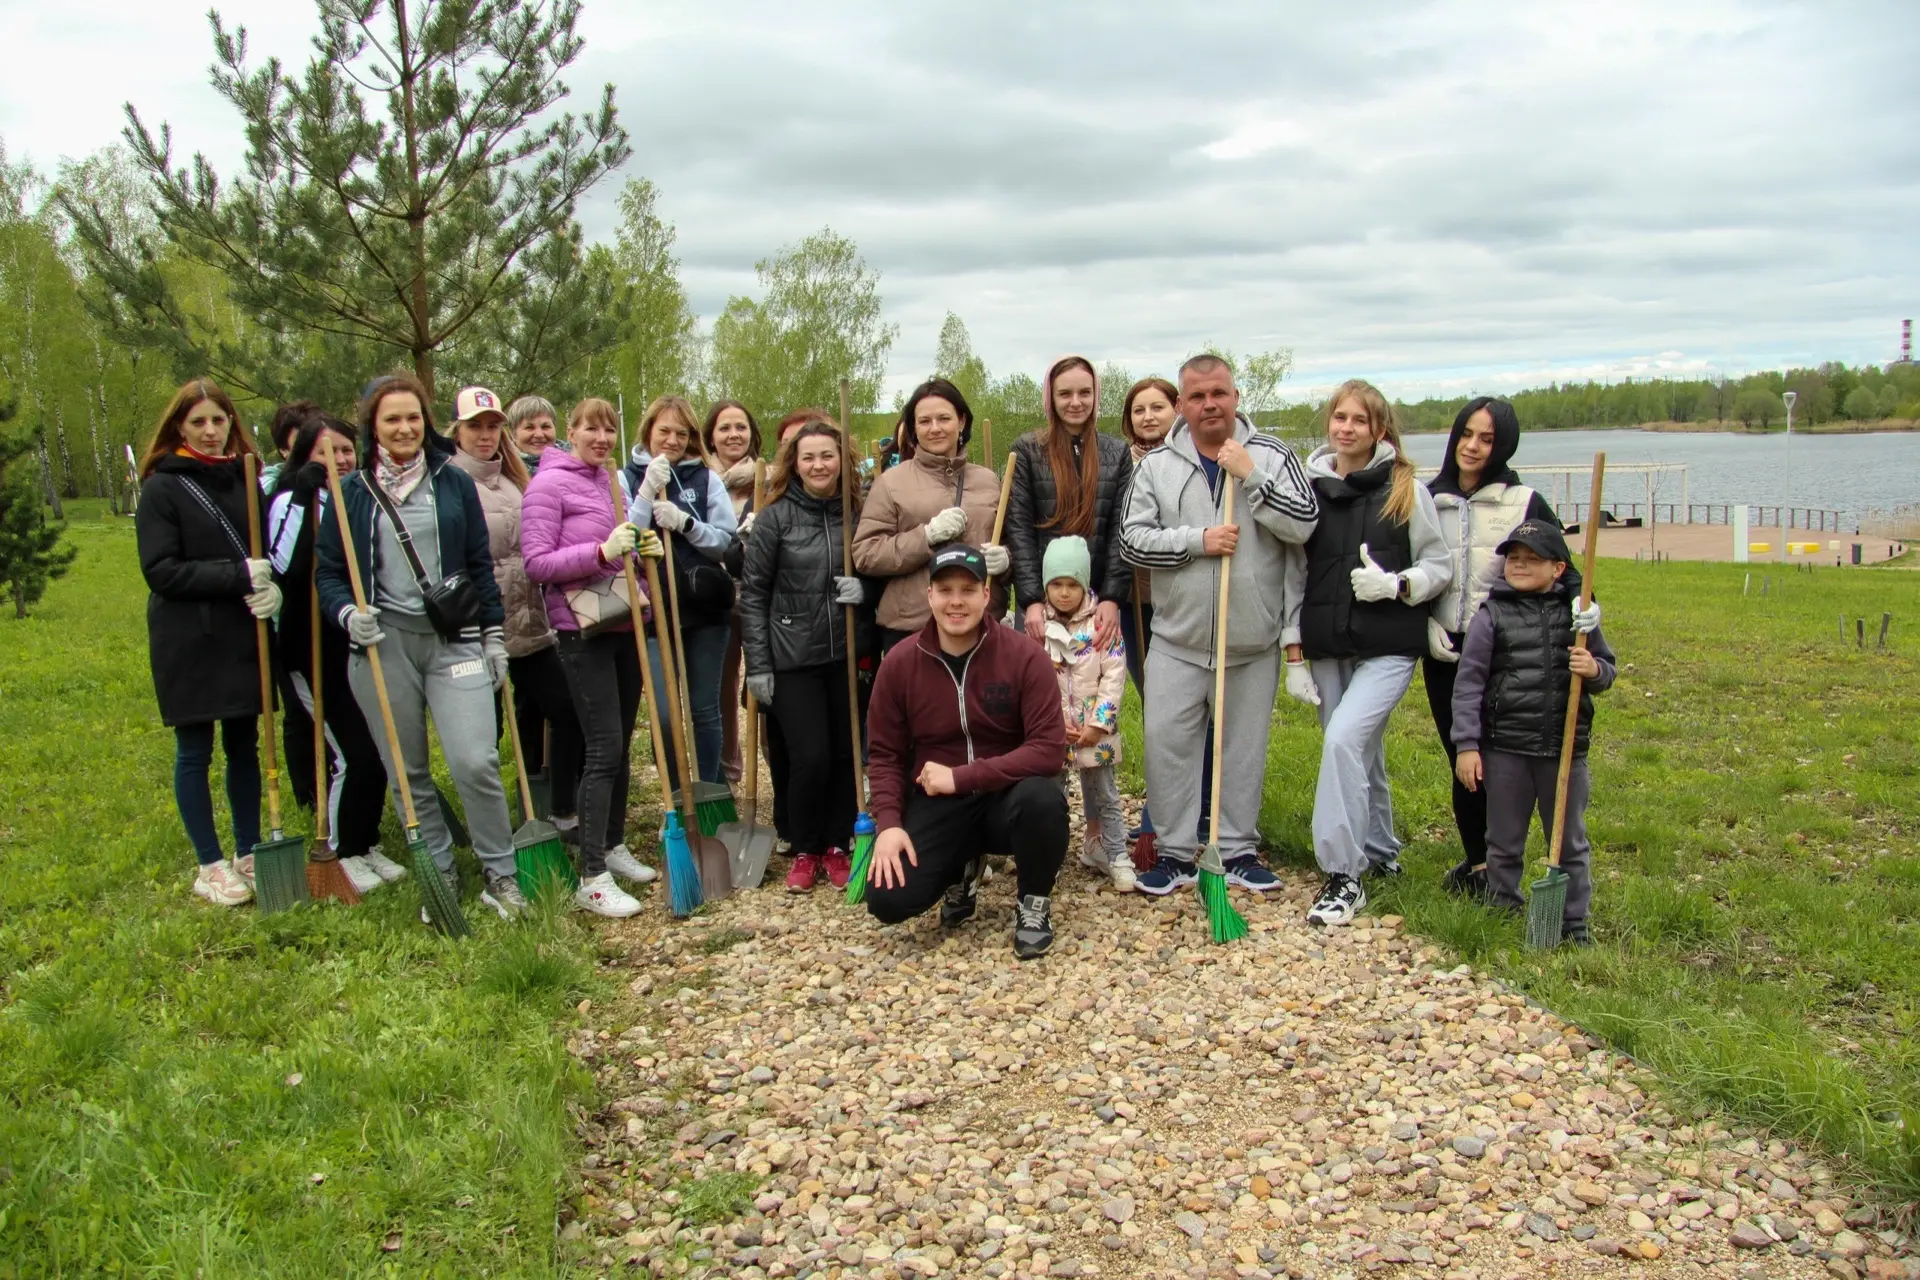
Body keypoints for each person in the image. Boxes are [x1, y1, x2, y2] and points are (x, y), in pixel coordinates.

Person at [314, 372, 526, 921]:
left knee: (475, 760)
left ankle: (500, 873)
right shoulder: (352, 492)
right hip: (384, 646)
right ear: (373, 426)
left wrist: (493, 636)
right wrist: (347, 614)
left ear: (426, 422)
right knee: (407, 771)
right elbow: (329, 572)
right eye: (392, 419)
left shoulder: (452, 482)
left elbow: (479, 564)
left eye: (413, 417)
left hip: (453, 642)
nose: (405, 428)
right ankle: (440, 869)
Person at [1120, 354, 1319, 898]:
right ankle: (1175, 853)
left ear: (1235, 397)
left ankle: (1236, 850)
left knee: (1242, 750)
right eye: (1198, 396)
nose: (1210, 404)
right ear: (1182, 404)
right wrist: (1196, 541)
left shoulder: (1272, 455)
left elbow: (1305, 524)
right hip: (1177, 641)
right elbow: (1131, 541)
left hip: (1251, 642)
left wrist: (1252, 477)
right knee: (1167, 745)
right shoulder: (1157, 465)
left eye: (1219, 394)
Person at [1283, 379, 1452, 927]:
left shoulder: (1407, 490)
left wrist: (1399, 585)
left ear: (1379, 429)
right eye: (1340, 417)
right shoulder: (1309, 490)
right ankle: (1380, 849)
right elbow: (1295, 574)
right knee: (1361, 750)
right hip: (1328, 645)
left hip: (1388, 647)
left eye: (1360, 420)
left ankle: (1344, 875)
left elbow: (1440, 565)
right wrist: (1293, 650)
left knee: (1342, 741)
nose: (1347, 428)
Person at [862, 545, 1070, 958]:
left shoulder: (1024, 656)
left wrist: (962, 777)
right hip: (938, 803)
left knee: (1043, 800)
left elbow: (1048, 749)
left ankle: (1033, 902)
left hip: (1007, 798)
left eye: (968, 590)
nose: (956, 601)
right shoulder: (900, 663)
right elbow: (884, 754)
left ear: (986, 594)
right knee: (888, 900)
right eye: (945, 590)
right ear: (929, 596)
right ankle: (962, 867)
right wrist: (889, 824)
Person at [1423, 397, 1594, 898]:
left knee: (1501, 760)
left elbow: (1565, 568)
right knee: (1462, 755)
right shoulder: (1427, 499)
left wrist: (1584, 604)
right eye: (1466, 434)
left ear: (1504, 446)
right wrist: (1420, 626)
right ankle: (1479, 865)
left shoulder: (1524, 501)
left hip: (1507, 649)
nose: (1472, 447)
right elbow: (1409, 565)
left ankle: (1509, 860)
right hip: (1445, 649)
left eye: (1487, 439)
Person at [136, 379, 278, 906]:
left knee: (243, 744)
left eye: (219, 420)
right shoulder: (162, 488)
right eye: (198, 422)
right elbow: (161, 570)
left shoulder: (246, 479)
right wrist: (237, 574)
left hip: (242, 629)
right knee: (194, 748)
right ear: (180, 427)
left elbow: (267, 551)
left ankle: (247, 849)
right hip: (188, 635)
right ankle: (209, 863)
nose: (211, 431)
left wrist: (272, 587)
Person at [522, 397, 664, 917]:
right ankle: (591, 876)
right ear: (572, 431)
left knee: (620, 744)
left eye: (609, 430)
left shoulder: (610, 482)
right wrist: (601, 552)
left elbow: (621, 552)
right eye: (591, 429)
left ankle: (612, 843)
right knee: (602, 749)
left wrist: (642, 555)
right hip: (581, 631)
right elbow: (537, 563)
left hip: (623, 622)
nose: (601, 438)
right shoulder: (547, 485)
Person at [1449, 521, 1615, 944]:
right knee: (1503, 839)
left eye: (1532, 559)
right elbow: (1468, 684)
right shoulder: (1491, 616)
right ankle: (1502, 906)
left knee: (1570, 842)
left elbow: (1607, 670)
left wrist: (1593, 669)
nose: (1520, 565)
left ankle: (1573, 921)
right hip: (1505, 749)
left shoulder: (1578, 618)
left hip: (1564, 750)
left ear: (1558, 568)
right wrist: (1467, 745)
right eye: (1514, 558)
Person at [266, 411, 404, 896]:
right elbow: (283, 563)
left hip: (359, 645)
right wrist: (302, 496)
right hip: (311, 652)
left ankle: (365, 842)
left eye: (346, 449)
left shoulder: (363, 497)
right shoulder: (289, 500)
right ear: (303, 455)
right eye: (326, 450)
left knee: (378, 750)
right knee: (353, 754)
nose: (340, 458)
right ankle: (342, 850)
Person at [447, 385, 584, 846]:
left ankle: (559, 810)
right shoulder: (449, 483)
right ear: (458, 431)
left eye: (493, 426)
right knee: (485, 736)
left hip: (531, 625)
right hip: (478, 629)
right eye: (475, 427)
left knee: (566, 711)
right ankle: (493, 830)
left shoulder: (515, 479)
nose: (485, 435)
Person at [739, 419, 870, 892]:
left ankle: (837, 844)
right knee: (809, 756)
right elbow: (753, 595)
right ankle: (805, 846)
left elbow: (879, 565)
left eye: (827, 455)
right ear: (794, 463)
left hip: (845, 654)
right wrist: (758, 665)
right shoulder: (774, 519)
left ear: (842, 461)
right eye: (808, 456)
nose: (819, 465)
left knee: (844, 755)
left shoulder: (857, 513)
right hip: (792, 656)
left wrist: (866, 590)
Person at [627, 395, 739, 786]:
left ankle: (708, 793)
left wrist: (686, 524)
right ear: (648, 431)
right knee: (663, 715)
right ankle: (677, 795)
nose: (672, 441)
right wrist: (646, 494)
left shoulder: (706, 479)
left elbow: (726, 544)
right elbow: (626, 540)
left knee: (704, 710)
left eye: (681, 433)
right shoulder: (626, 477)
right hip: (653, 611)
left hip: (705, 611)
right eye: (664, 431)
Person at [853, 378, 1008, 652]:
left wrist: (1007, 559)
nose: (935, 428)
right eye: (924, 421)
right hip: (913, 626)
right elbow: (866, 554)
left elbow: (1009, 540)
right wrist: (925, 537)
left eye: (944, 418)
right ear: (913, 428)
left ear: (961, 421)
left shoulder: (988, 481)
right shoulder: (891, 483)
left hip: (981, 622)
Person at [1006, 356, 1133, 650]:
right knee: (1040, 674)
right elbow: (1019, 529)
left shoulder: (1116, 453)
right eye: (1065, 393)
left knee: (1095, 674)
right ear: (1051, 398)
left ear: (1095, 395)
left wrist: (1112, 597)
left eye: (1084, 393)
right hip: (1042, 602)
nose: (1075, 402)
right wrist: (1032, 600)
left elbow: (1121, 530)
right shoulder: (1028, 451)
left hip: (1095, 601)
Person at [1038, 535, 1132, 890]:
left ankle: (1116, 853)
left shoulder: (1102, 626)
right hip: (1054, 731)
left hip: (1095, 729)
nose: (1064, 593)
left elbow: (1115, 675)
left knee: (1105, 793)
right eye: (1056, 584)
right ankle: (1050, 857)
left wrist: (1099, 724)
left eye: (1072, 584)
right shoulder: (1038, 629)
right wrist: (1050, 723)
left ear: (1084, 584)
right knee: (1052, 797)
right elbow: (1032, 680)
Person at [1116, 375, 1178, 856]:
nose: (1148, 417)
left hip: (1182, 603)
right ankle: (1162, 810)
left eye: (1158, 407)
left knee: (1181, 710)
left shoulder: (1187, 462)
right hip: (1135, 605)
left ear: (1177, 410)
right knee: (1155, 708)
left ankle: (1179, 810)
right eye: (1139, 409)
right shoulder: (1121, 465)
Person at [263, 399, 324, 812]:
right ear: (287, 449)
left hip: (335, 619)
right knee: (301, 713)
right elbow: (282, 562)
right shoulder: (276, 492)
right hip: (292, 622)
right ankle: (308, 795)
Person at [705, 399, 761, 784]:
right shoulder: (696, 480)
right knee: (720, 688)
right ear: (710, 436)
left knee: (761, 685)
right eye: (724, 428)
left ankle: (771, 764)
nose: (733, 435)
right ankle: (727, 771)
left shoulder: (768, 479)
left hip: (757, 597)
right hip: (715, 598)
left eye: (740, 427)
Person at [506, 394, 560, 476]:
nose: (539, 435)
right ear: (512, 434)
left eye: (545, 426)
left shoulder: (576, 461)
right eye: (529, 427)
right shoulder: (504, 471)